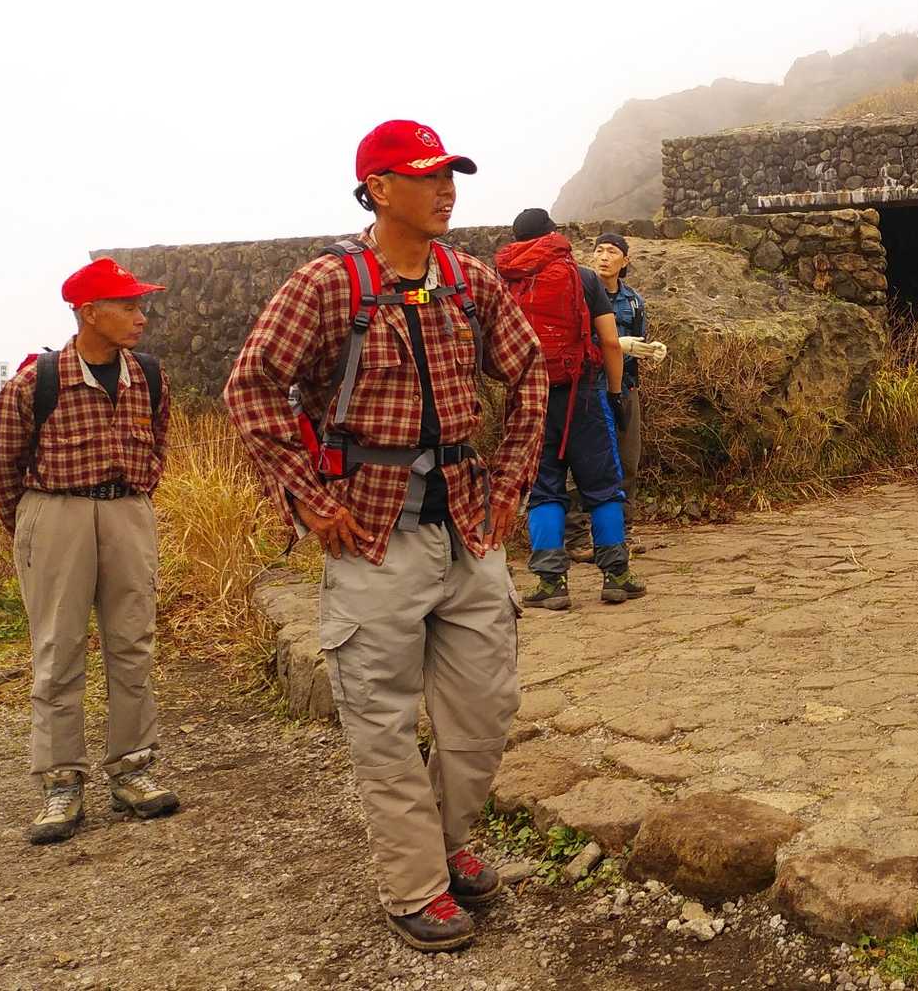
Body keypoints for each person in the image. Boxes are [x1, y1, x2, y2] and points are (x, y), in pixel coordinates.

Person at [224, 120, 548, 952]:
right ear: (377, 189)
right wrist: (309, 498)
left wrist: (511, 479)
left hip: (468, 528)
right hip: (369, 537)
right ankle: (415, 886)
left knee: (485, 709)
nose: (446, 189)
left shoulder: (468, 280)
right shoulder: (326, 285)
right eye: (426, 175)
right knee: (383, 723)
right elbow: (251, 387)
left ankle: (446, 843)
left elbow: (529, 369)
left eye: (450, 175)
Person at [0, 258, 179, 845]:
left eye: (140, 306)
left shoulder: (148, 376)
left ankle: (133, 769)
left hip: (127, 512)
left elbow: (159, 439)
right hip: (55, 513)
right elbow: (0, 461)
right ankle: (61, 781)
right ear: (89, 313)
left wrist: (136, 494)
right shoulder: (35, 383)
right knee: (57, 647)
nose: (140, 317)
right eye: (128, 306)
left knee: (133, 642)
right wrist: (33, 524)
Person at [496, 211, 645, 608]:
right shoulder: (584, 278)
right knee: (604, 486)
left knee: (544, 490)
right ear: (553, 235)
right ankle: (616, 576)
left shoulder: (504, 280)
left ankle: (551, 583)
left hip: (530, 400)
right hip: (584, 393)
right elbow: (610, 342)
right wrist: (615, 393)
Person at [594, 233, 667, 510]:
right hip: (592, 389)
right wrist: (613, 346)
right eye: (599, 250)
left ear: (625, 260)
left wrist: (651, 349)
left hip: (627, 388)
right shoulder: (583, 294)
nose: (604, 257)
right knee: (588, 461)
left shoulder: (634, 300)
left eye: (612, 252)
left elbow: (638, 340)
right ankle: (580, 529)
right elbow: (575, 343)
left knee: (627, 462)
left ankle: (623, 526)